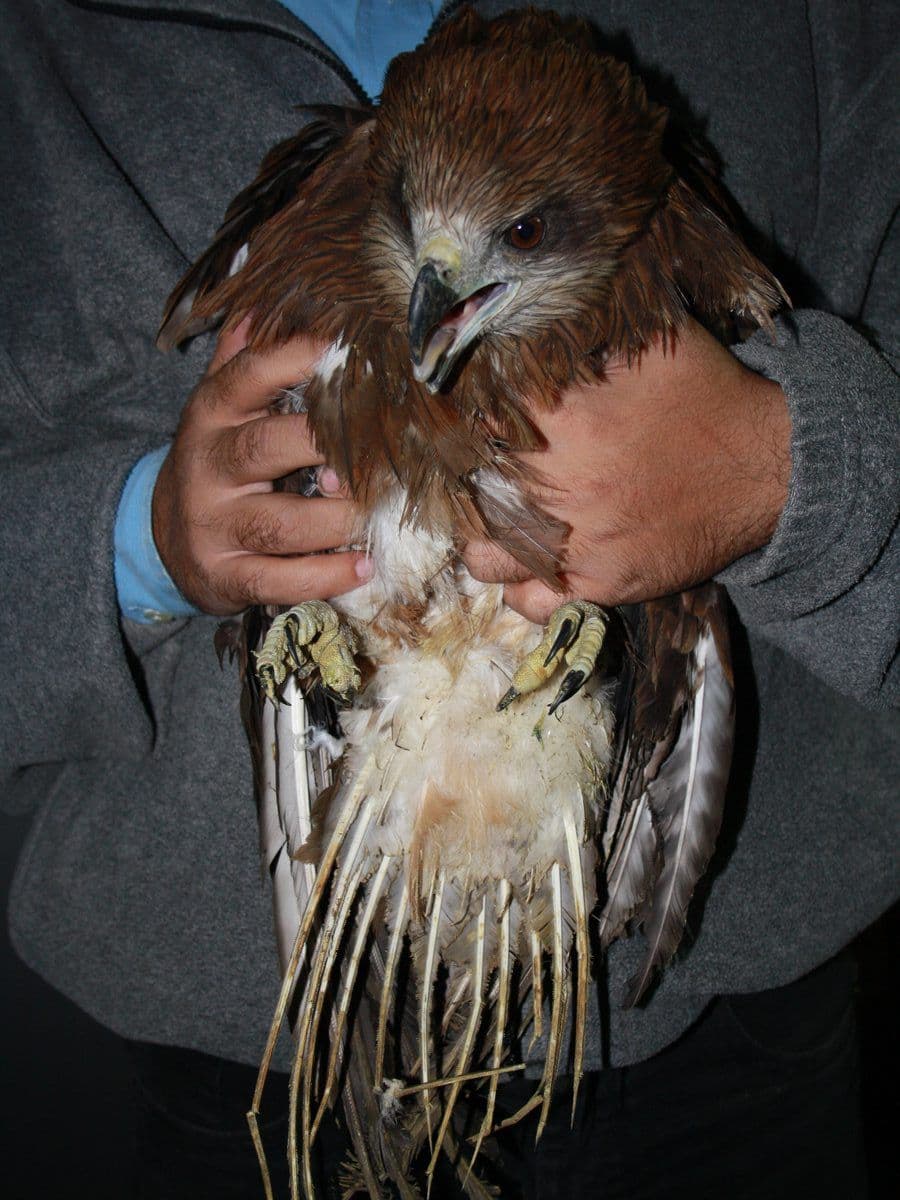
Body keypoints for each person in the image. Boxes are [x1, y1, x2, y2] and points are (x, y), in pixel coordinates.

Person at [1, 1, 896, 1196]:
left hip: (735, 1045)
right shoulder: (36, 44)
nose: (439, 285)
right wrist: (135, 545)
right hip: (250, 1072)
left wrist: (784, 470)